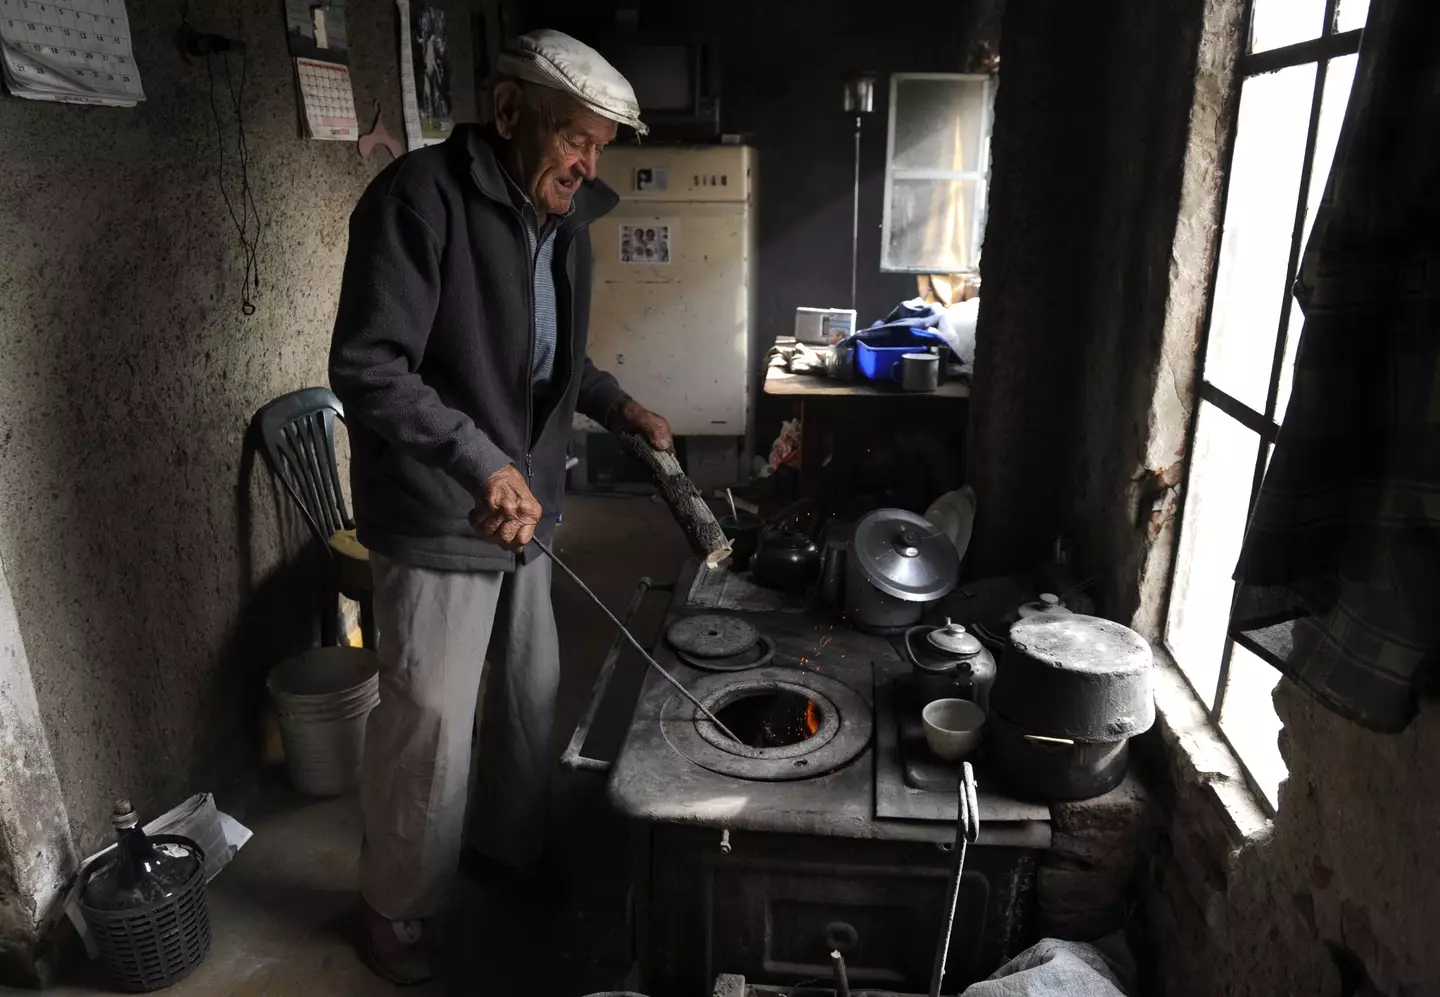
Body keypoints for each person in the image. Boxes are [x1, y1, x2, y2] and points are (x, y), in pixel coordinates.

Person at [328, 28, 671, 984]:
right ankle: (394, 901)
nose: (587, 162)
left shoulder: (565, 219)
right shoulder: (418, 200)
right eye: (574, 139)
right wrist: (481, 464)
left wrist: (617, 405)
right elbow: (368, 367)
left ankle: (503, 851)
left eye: (600, 145)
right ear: (511, 113)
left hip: (530, 507)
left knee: (527, 695)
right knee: (431, 718)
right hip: (441, 508)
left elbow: (550, 360)